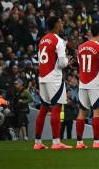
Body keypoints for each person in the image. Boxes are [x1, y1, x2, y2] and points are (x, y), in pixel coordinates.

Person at [34, 16, 70, 150]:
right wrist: (67, 61)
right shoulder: (58, 40)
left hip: (42, 76)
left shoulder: (43, 40)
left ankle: (37, 142)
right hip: (54, 77)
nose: (62, 24)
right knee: (56, 107)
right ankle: (56, 142)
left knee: (43, 108)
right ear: (56, 25)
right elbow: (61, 63)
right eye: (60, 22)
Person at [75, 22, 99, 149]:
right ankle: (96, 142)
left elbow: (80, 64)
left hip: (83, 83)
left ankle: (79, 142)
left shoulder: (80, 47)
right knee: (97, 112)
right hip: (95, 83)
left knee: (82, 112)